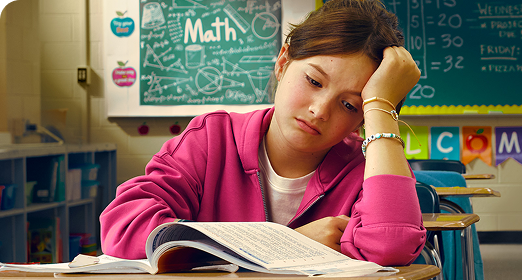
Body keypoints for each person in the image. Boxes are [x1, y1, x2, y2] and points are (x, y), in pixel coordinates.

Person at [100, 0, 426, 266]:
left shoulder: (364, 168)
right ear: (283, 63)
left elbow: (391, 245)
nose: (320, 110)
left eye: (350, 105)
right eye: (314, 81)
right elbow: (124, 228)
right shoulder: (212, 138)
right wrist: (286, 244)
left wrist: (382, 108)